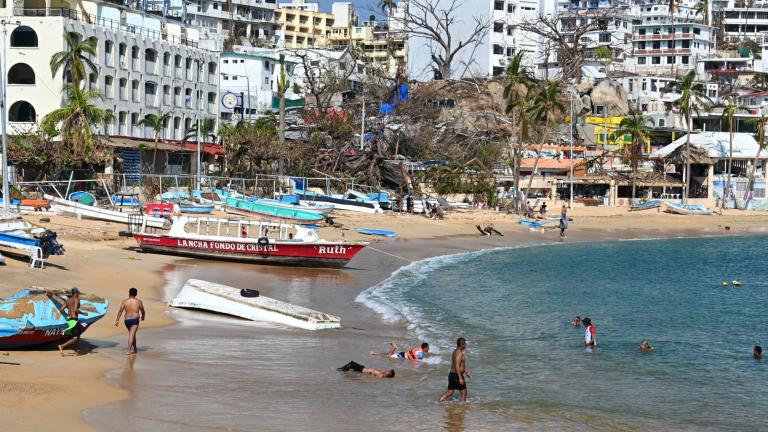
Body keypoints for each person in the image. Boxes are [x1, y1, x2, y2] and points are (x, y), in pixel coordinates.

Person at [438, 338, 472, 402]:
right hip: (456, 375)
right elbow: (456, 365)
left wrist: (466, 371)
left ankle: (438, 402)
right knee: (464, 393)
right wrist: (460, 378)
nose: (466, 345)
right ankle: (461, 408)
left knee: (450, 392)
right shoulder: (459, 353)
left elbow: (460, 365)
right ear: (462, 344)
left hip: (452, 375)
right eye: (465, 343)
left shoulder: (455, 351)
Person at [114, 287, 146, 355]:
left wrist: (117, 320)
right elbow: (143, 310)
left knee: (132, 334)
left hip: (127, 320)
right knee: (132, 334)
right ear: (136, 294)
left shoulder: (125, 301)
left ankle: (135, 349)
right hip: (135, 320)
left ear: (129, 293)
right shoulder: (138, 301)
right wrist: (143, 317)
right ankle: (128, 350)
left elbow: (120, 311)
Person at [54, 288, 82, 356]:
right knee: (75, 338)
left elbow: (61, 309)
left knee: (77, 336)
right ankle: (62, 346)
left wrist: (66, 314)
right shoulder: (76, 299)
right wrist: (83, 313)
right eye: (78, 293)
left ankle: (77, 352)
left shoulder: (68, 300)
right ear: (76, 293)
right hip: (74, 320)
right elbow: (75, 310)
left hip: (70, 320)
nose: (79, 294)